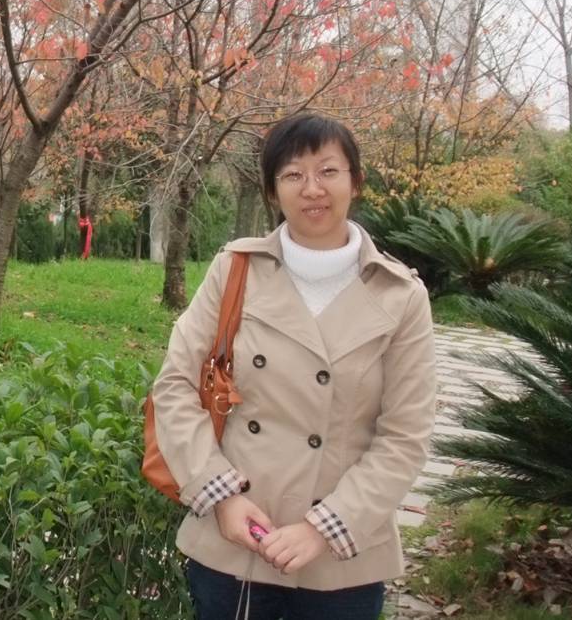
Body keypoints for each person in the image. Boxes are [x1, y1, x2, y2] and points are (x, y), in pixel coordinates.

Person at [150, 113, 436, 620]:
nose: (312, 189)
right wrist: (222, 498)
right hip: (237, 538)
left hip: (342, 557)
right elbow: (175, 386)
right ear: (272, 190)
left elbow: (406, 435)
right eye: (293, 174)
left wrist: (325, 527)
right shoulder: (235, 269)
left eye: (328, 171)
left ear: (355, 181)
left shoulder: (401, 294)